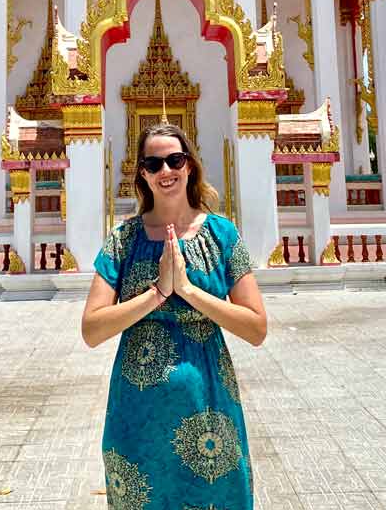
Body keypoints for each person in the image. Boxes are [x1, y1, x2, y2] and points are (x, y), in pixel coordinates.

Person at [82, 123, 266, 510]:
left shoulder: (222, 234)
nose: (166, 171)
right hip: (138, 410)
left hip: (208, 405)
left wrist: (188, 291)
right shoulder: (123, 240)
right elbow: (92, 329)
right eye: (154, 163)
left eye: (175, 160)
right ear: (142, 174)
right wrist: (158, 293)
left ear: (190, 166)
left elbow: (256, 327)